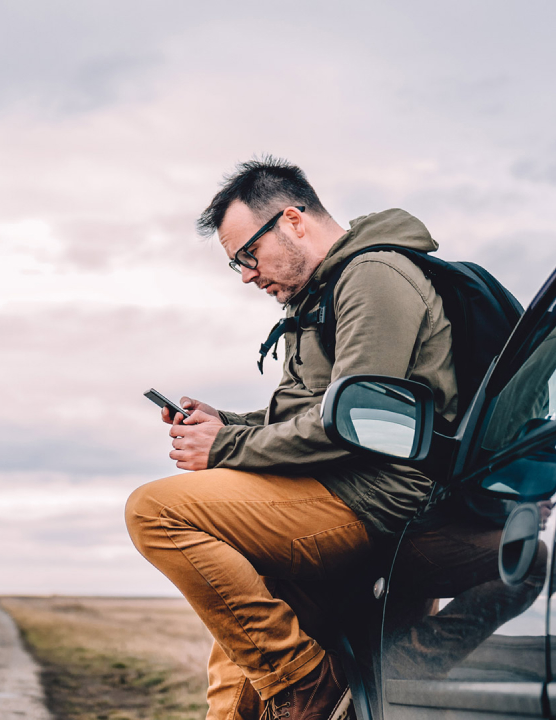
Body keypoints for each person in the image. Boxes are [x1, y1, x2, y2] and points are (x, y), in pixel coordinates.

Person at [124, 157, 458, 720]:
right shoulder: (315, 298)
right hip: (327, 490)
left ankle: (306, 684)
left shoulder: (375, 277)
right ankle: (289, 684)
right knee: (239, 644)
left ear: (293, 221)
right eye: (237, 267)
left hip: (373, 495)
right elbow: (305, 414)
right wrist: (227, 423)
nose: (248, 275)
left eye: (247, 256)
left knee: (154, 511)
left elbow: (357, 426)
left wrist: (223, 448)